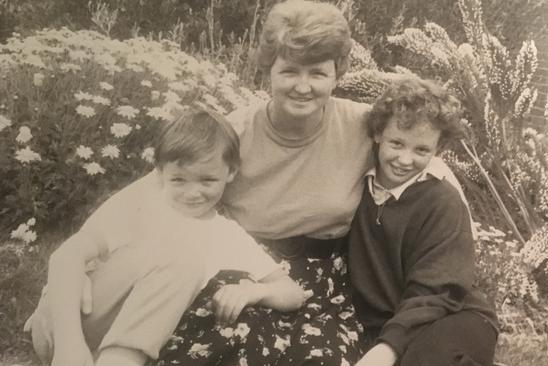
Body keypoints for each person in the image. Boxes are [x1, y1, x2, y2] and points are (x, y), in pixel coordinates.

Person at [154, 2, 473, 366]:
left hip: (325, 285)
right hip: (246, 271)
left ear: (337, 73)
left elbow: (424, 163)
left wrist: (455, 228)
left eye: (318, 73)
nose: (303, 87)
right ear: (268, 71)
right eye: (290, 70)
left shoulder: (364, 126)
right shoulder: (231, 133)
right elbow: (162, 188)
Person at [25, 109, 304, 366]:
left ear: (230, 172)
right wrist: (69, 345)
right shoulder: (139, 208)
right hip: (66, 326)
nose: (193, 193)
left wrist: (254, 291)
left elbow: (292, 292)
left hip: (124, 343)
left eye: (207, 180)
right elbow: (65, 257)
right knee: (183, 258)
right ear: (159, 173)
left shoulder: (226, 235)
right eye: (179, 180)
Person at [348, 78, 498, 366]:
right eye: (397, 143)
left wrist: (388, 348)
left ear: (437, 149)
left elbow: (438, 291)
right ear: (378, 133)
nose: (405, 160)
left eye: (421, 150)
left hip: (450, 313)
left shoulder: (442, 201)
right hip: (393, 321)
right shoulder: (356, 185)